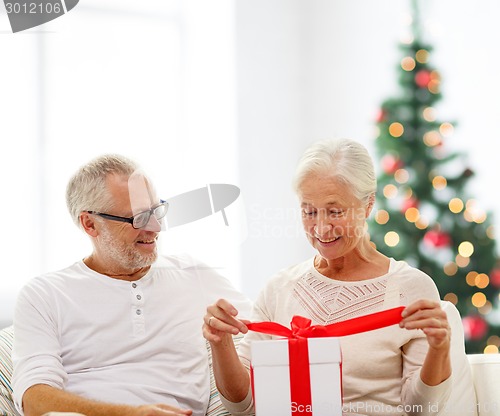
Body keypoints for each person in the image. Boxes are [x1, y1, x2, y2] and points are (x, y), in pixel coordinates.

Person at [203, 138, 455, 416]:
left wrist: (439, 349)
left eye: (335, 211)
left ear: (368, 204)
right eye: (309, 212)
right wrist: (220, 342)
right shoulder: (279, 290)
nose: (321, 228)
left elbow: (421, 409)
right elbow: (243, 407)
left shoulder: (410, 288)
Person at [12, 154, 252, 416]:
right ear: (90, 224)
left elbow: (269, 334)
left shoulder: (193, 274)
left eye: (156, 211)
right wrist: (129, 414)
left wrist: (223, 340)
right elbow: (34, 400)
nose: (156, 226)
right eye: (138, 218)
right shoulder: (45, 294)